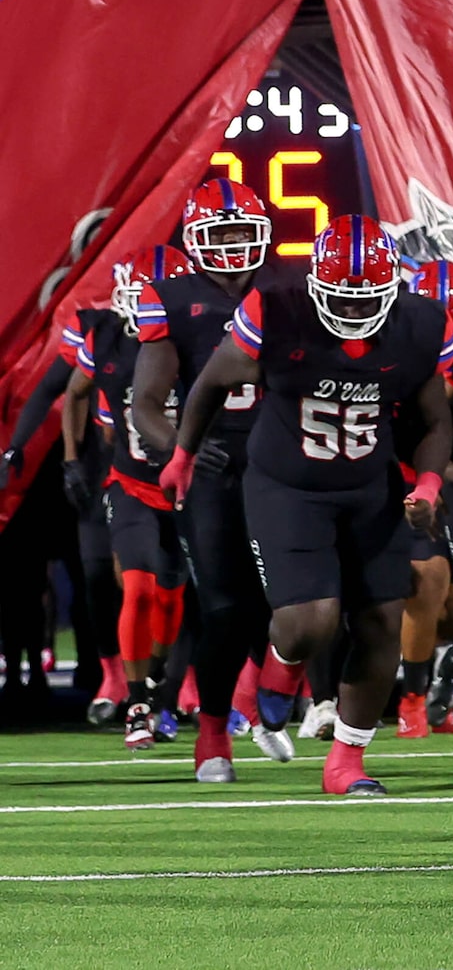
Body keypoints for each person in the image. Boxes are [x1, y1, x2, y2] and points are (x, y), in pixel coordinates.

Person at [165, 214, 453, 797]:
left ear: (393, 287)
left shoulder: (420, 324)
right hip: (286, 484)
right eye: (341, 298)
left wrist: (426, 483)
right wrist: (182, 454)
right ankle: (272, 673)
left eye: (366, 297)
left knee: (381, 621)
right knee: (309, 622)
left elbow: (433, 419)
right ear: (315, 282)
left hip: (368, 485)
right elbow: (210, 384)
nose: (352, 311)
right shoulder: (276, 310)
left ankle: (345, 761)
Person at [130, 178, 284, 780]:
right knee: (225, 606)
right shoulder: (172, 297)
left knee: (302, 600)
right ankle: (214, 733)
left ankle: (263, 694)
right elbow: (147, 403)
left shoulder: (289, 291)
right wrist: (184, 448)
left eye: (243, 233)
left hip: (287, 466)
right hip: (212, 468)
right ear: (196, 239)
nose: (232, 247)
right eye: (220, 235)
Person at [61, 248, 193, 752]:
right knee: (135, 588)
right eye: (141, 297)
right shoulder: (107, 337)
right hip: (132, 483)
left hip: (186, 489)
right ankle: (137, 703)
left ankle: (157, 677)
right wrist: (73, 458)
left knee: (170, 596)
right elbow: (76, 391)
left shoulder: (201, 342)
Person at [3, 323, 123, 723]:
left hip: (120, 469)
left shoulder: (159, 326)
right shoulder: (96, 332)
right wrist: (19, 446)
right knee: (88, 577)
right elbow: (57, 390)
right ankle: (98, 670)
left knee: (140, 579)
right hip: (74, 478)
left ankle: (147, 680)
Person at [395, 258, 453, 740]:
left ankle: (436, 689)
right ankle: (412, 700)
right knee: (428, 582)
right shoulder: (402, 363)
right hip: (414, 482)